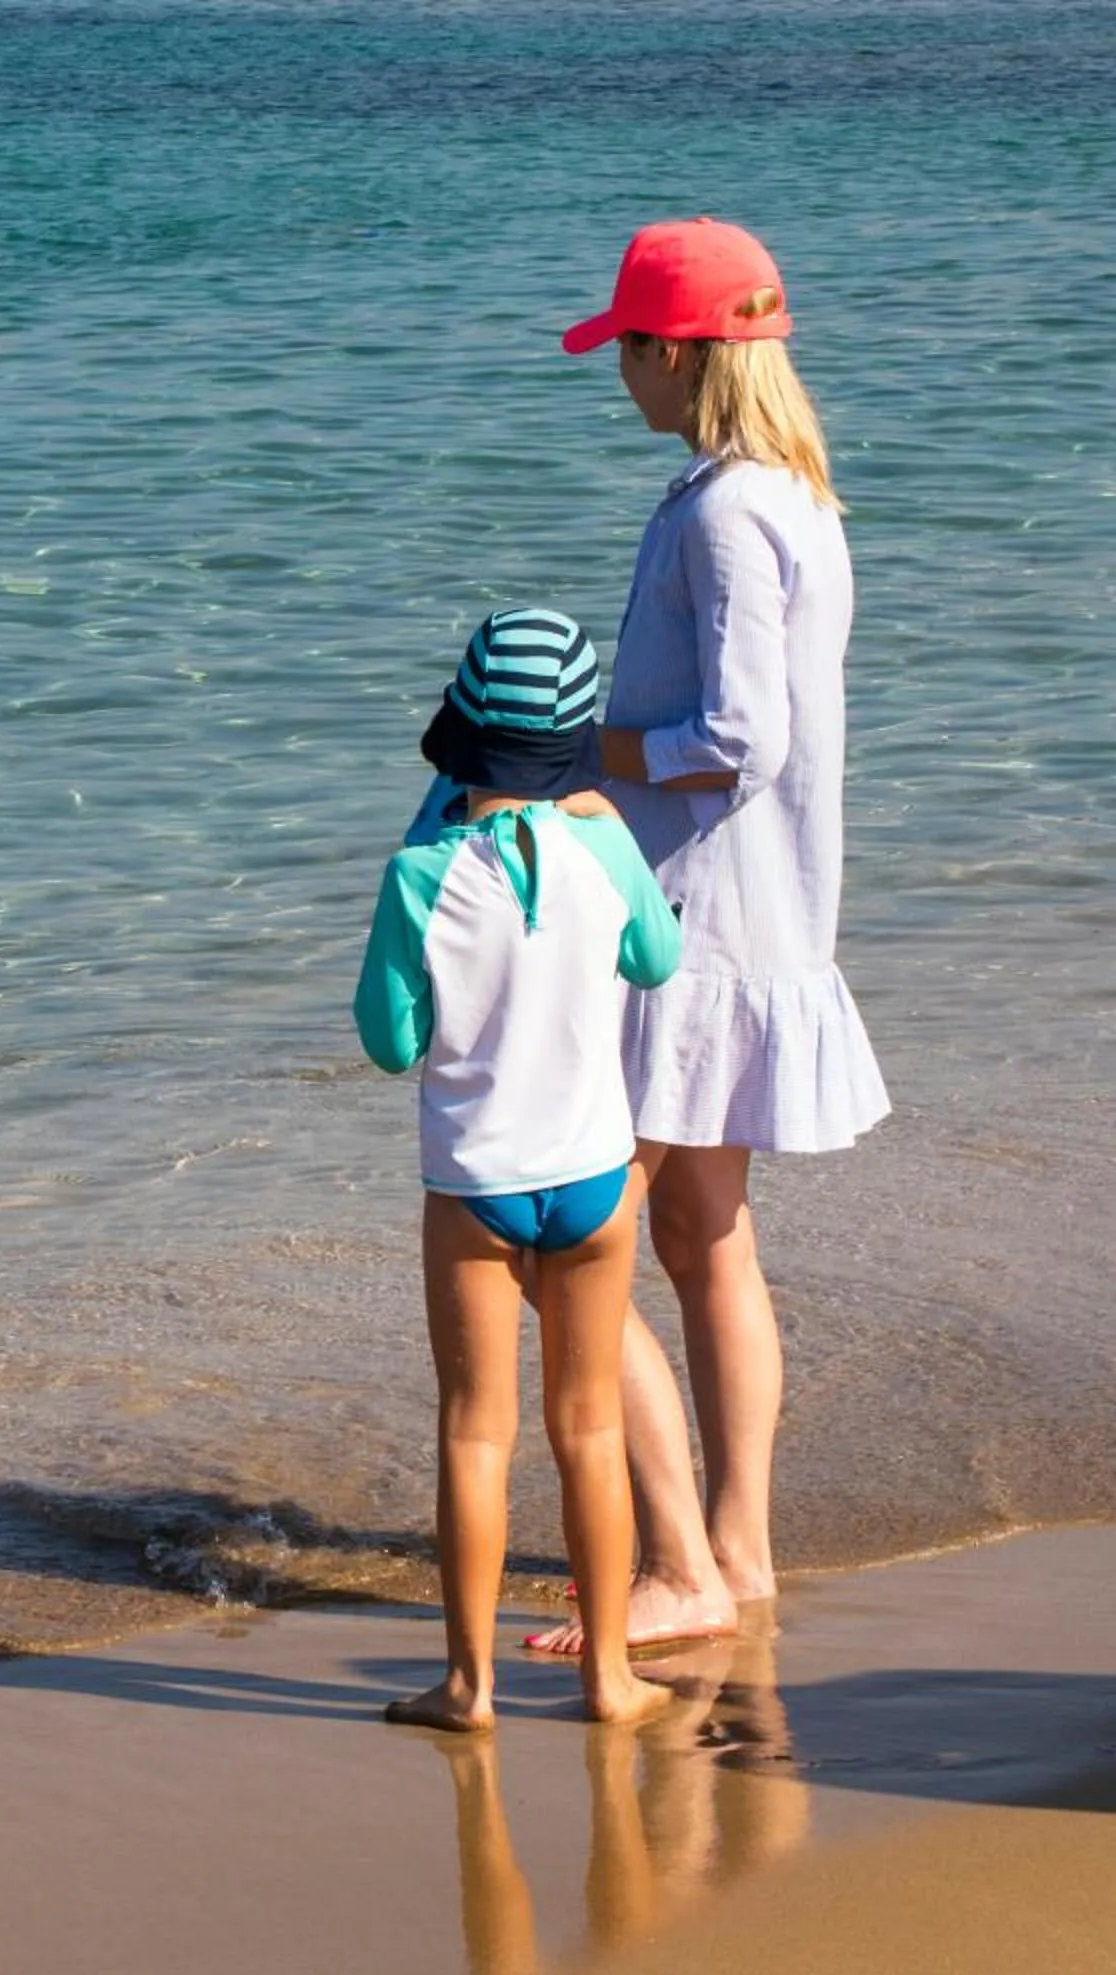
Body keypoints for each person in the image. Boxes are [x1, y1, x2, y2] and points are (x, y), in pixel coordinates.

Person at [532, 220, 889, 1658]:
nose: (619, 371)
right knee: (704, 1234)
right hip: (761, 909)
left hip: (692, 918)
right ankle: (737, 1552)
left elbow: (737, 739)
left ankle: (681, 1563)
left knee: (574, 1235)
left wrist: (578, 757)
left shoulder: (723, 513)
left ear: (675, 353)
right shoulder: (799, 498)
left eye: (626, 346)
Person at [357, 608, 683, 1730]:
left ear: (459, 736)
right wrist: (607, 820)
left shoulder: (420, 872)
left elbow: (390, 1041)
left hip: (476, 1186)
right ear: (576, 740)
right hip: (594, 1177)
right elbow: (657, 957)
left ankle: (469, 1685)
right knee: (589, 1428)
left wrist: (429, 833)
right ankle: (610, 1678)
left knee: (474, 1430)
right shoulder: (604, 848)